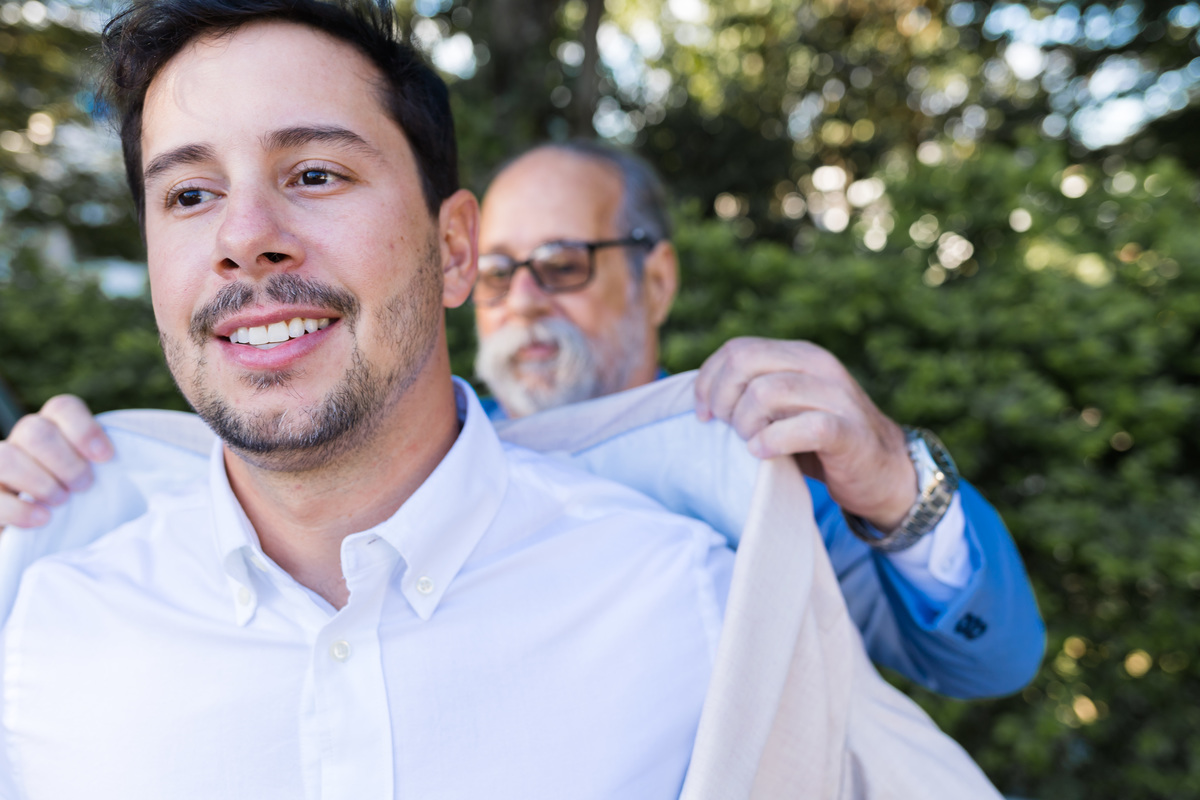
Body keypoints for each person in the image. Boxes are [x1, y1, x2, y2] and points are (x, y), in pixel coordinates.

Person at [0, 150, 1045, 700]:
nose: (524, 301)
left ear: (658, 275)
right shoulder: (403, 464)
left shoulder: (755, 470)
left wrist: (891, 480)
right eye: (497, 272)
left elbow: (988, 665)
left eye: (563, 265)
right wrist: (59, 491)